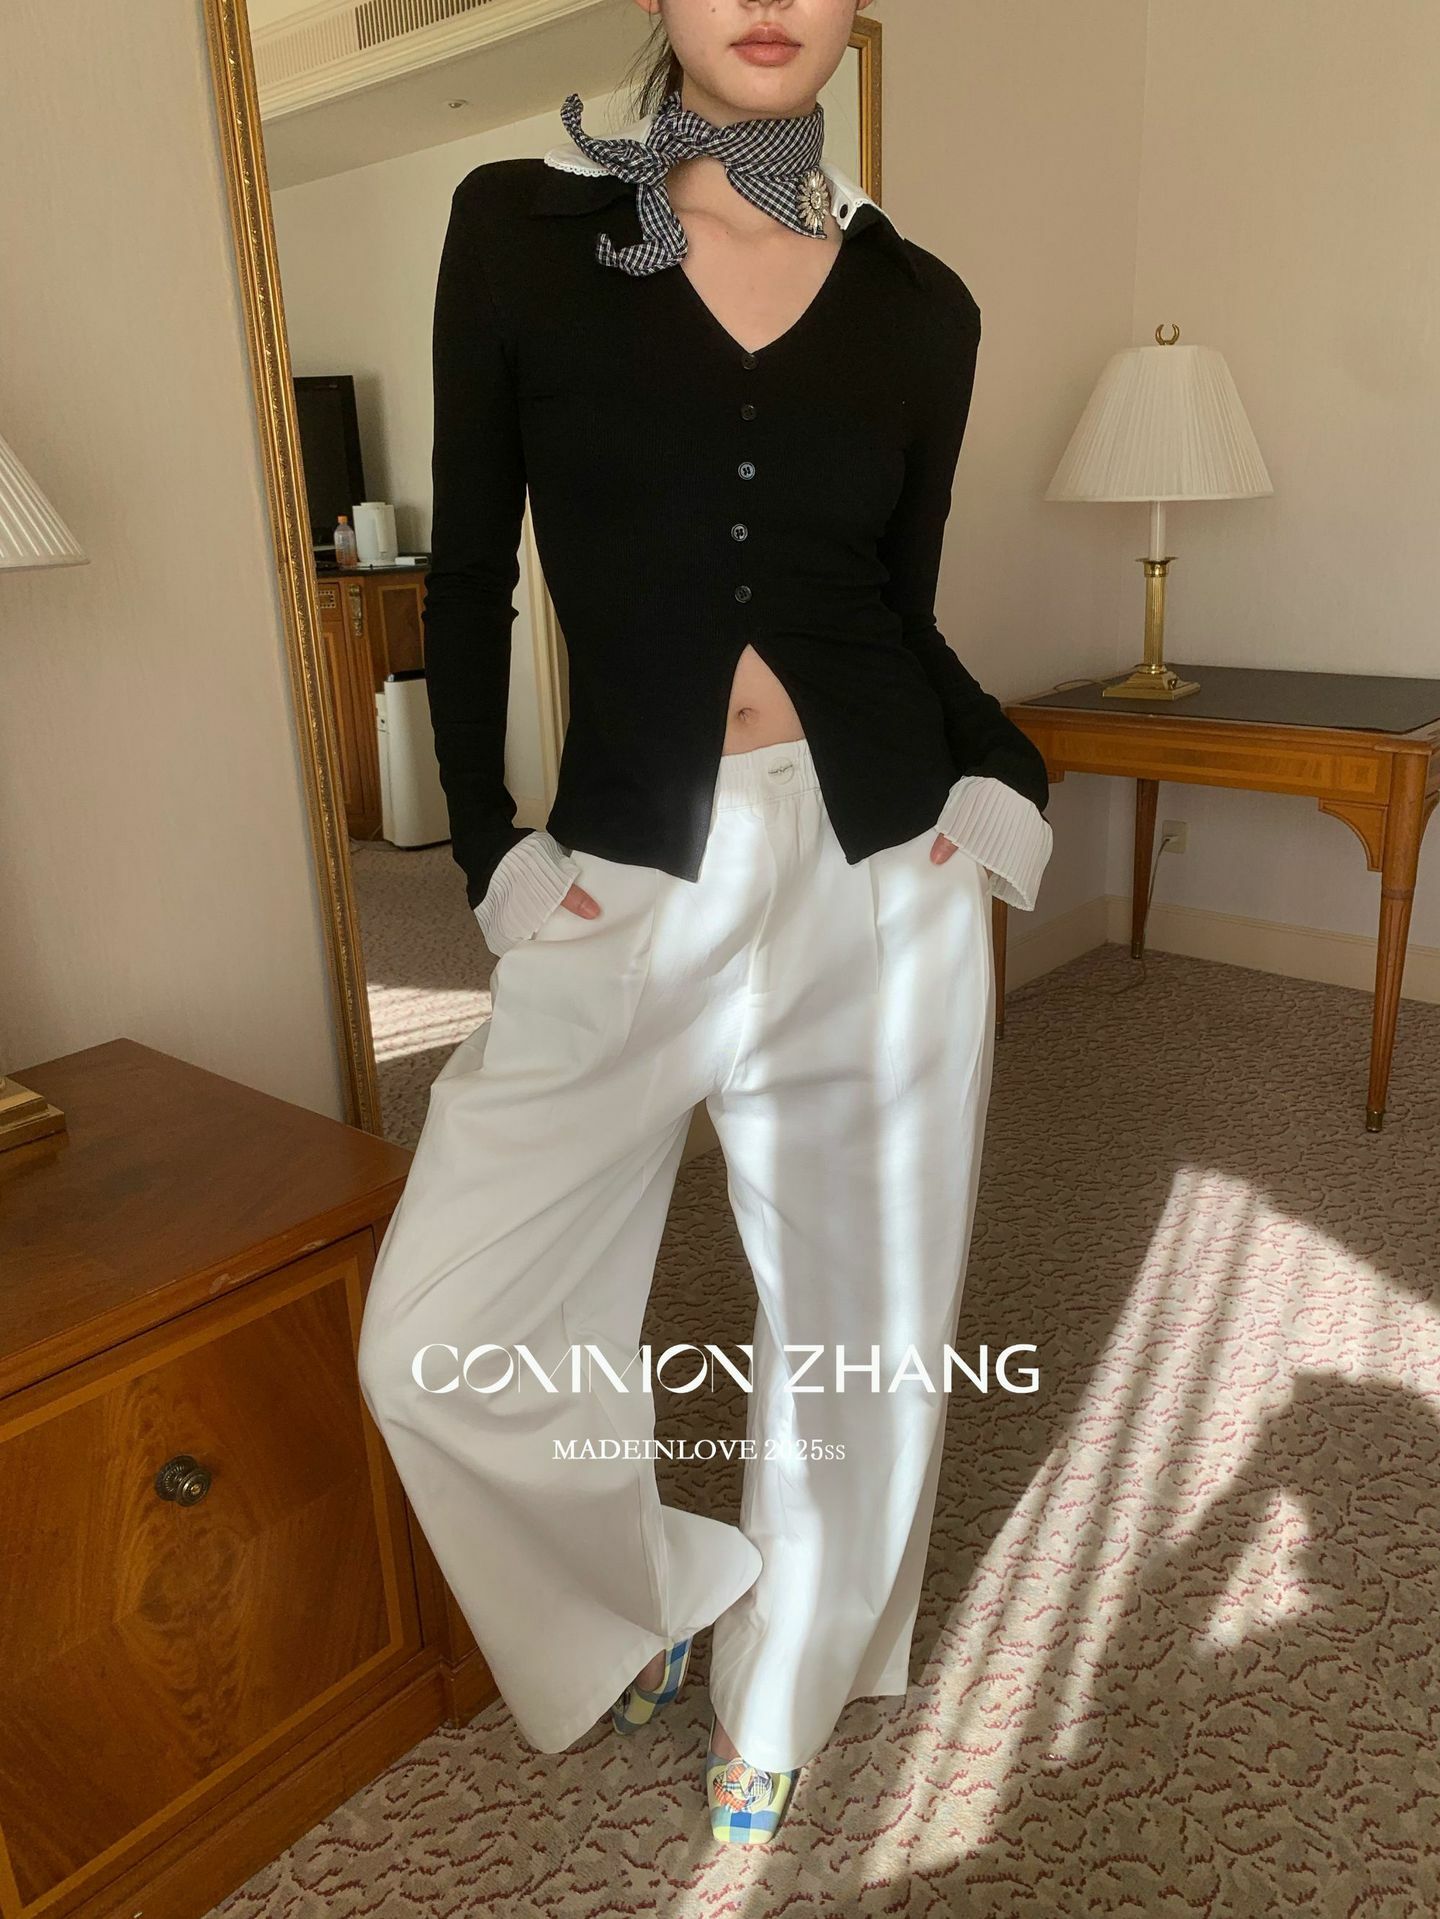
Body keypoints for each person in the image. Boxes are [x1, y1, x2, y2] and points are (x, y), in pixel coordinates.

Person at [356, 0, 1054, 1849]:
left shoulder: (923, 307)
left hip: (882, 869)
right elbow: (470, 570)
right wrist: (490, 848)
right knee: (435, 1338)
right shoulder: (522, 228)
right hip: (626, 869)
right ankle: (650, 1591)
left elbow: (895, 608)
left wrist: (1001, 784)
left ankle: (786, 1677)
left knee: (861, 1318)